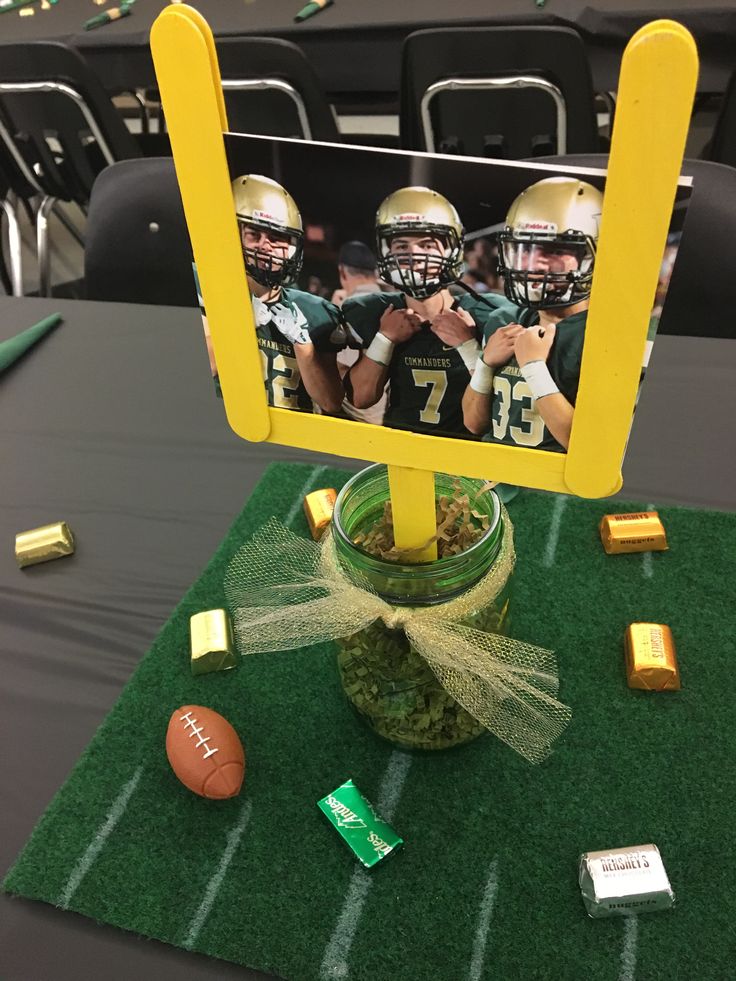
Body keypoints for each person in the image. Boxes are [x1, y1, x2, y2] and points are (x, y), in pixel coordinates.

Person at [343, 186, 518, 438]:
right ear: (386, 253)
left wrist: (468, 346)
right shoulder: (378, 311)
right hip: (400, 450)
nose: (414, 256)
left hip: (467, 457)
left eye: (427, 245)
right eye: (402, 247)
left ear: (451, 250)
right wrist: (384, 339)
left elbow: (498, 411)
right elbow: (361, 398)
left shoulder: (488, 314)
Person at [462, 176, 603, 452]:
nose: (534, 262)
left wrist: (534, 368)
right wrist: (485, 364)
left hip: (551, 490)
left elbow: (591, 450)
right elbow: (473, 424)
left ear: (594, 255)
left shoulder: (603, 335)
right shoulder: (504, 320)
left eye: (555, 250)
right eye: (526, 248)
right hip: (491, 479)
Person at [232, 173, 346, 414]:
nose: (266, 246)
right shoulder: (205, 291)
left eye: (277, 238)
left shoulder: (315, 312)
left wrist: (304, 346)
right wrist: (237, 327)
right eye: (254, 235)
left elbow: (330, 403)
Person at [331, 241, 384, 306]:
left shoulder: (342, 309)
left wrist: (334, 311)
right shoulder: (395, 301)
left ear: (342, 272)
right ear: (376, 273)